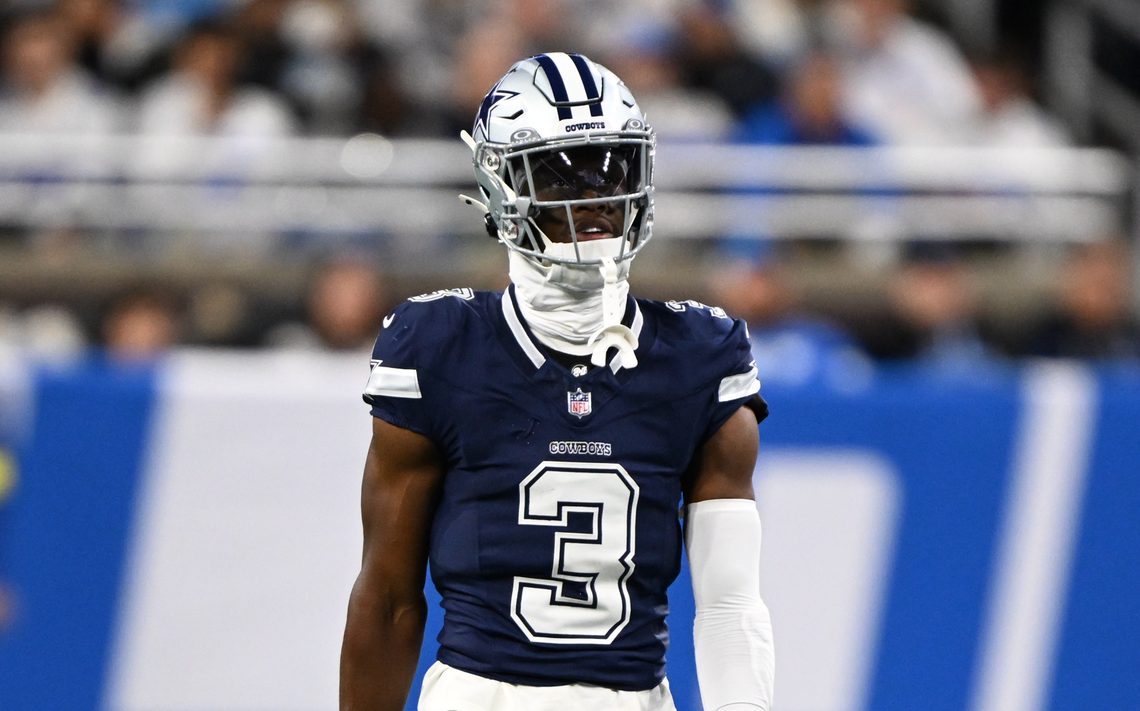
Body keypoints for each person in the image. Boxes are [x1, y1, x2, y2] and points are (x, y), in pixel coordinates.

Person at [340, 53, 775, 711]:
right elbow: (390, 596)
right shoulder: (440, 345)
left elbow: (730, 602)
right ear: (501, 188)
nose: (596, 193)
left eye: (612, 165)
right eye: (559, 169)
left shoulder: (699, 354)